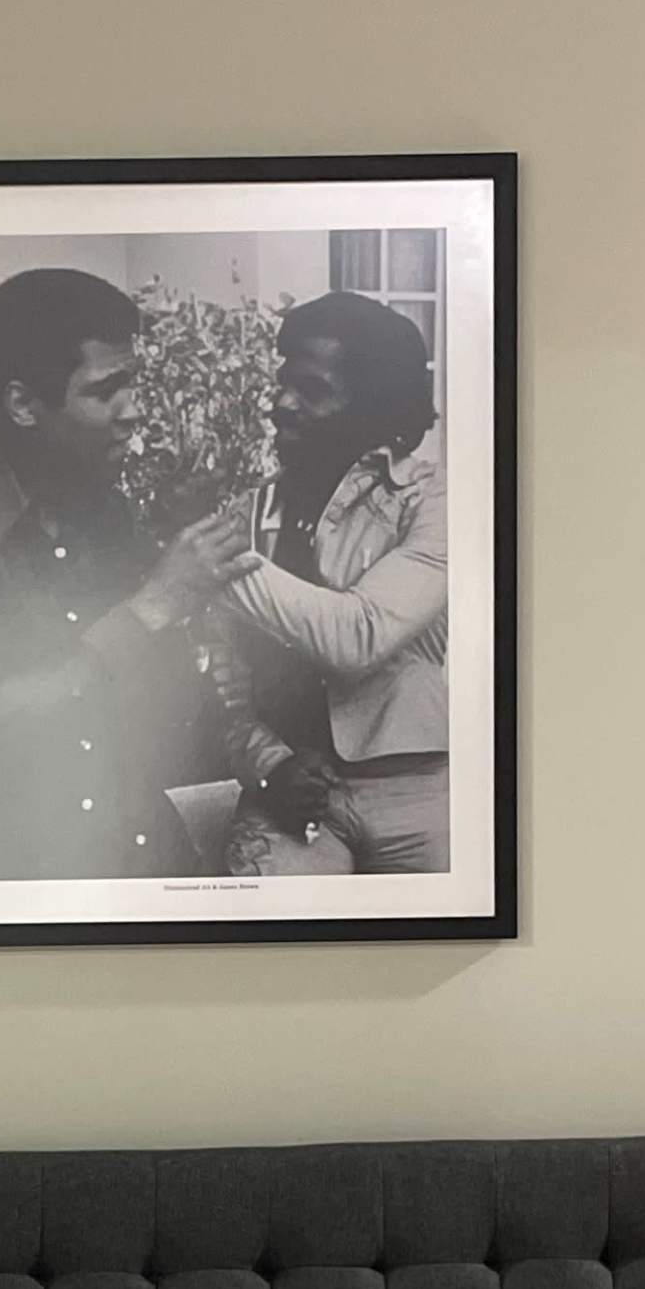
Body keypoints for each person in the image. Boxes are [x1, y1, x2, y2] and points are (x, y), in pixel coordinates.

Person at [0, 266, 242, 878]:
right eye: (106, 389)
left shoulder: (100, 502)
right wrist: (155, 604)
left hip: (136, 854)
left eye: (132, 383)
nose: (134, 411)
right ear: (23, 405)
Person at [212, 290, 451, 873]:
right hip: (291, 793)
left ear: (375, 408)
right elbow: (221, 684)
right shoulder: (248, 514)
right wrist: (270, 765)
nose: (281, 404)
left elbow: (359, 636)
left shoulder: (435, 501)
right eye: (283, 384)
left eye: (313, 391)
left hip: (423, 795)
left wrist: (215, 563)